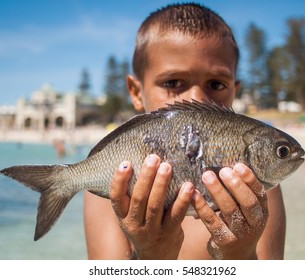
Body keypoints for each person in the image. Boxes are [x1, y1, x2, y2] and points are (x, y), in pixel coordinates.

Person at [84, 3, 286, 260]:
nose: (196, 99)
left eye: (215, 84)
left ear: (234, 91)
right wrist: (151, 255)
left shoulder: (256, 187)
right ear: (135, 91)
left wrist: (241, 254)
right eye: (173, 83)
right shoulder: (112, 182)